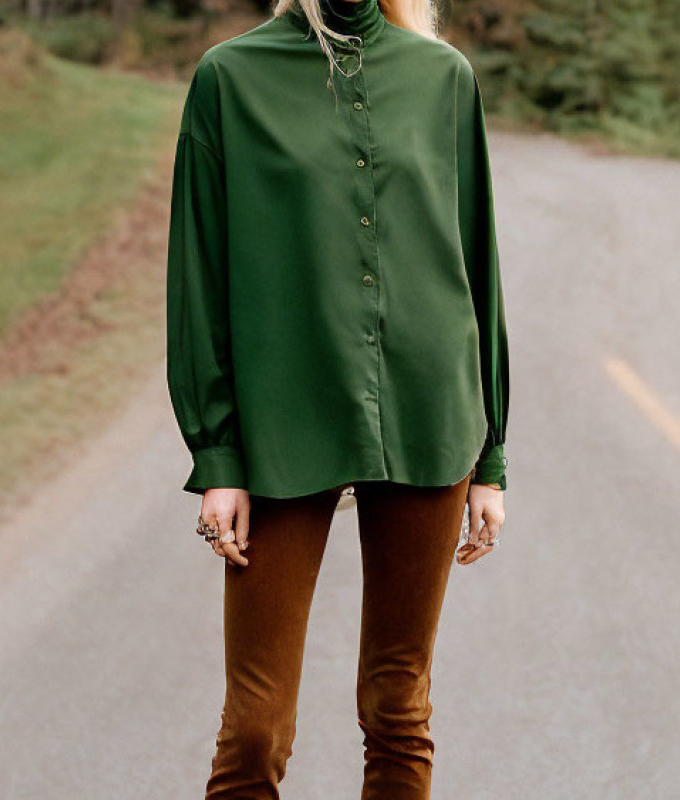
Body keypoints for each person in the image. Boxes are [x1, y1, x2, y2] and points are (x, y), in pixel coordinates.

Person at [165, 0, 510, 796]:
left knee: (397, 710)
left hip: (431, 415)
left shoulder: (443, 79)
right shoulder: (230, 78)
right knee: (254, 731)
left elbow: (477, 269)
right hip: (281, 427)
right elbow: (200, 277)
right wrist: (218, 454)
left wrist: (489, 456)